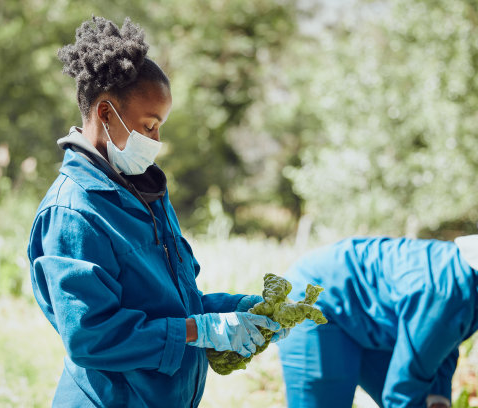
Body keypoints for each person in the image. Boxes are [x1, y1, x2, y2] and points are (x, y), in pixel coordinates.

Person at [27, 17, 287, 407]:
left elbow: (172, 305)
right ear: (104, 113)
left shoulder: (146, 191)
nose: (156, 141)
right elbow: (90, 336)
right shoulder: (74, 212)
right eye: (149, 127)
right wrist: (198, 331)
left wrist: (233, 311)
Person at [278, 221, 478, 408]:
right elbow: (405, 387)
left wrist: (439, 398)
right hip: (319, 297)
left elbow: (443, 345)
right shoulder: (442, 293)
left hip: (368, 318)